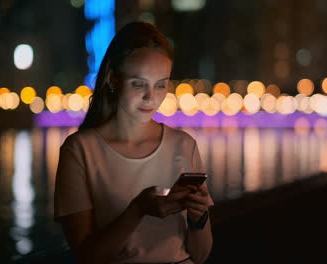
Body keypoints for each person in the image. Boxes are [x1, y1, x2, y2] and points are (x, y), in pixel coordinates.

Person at [54, 21, 214, 264]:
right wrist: (137, 210)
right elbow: (87, 256)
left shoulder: (184, 145)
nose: (151, 97)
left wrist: (198, 216)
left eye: (161, 84)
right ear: (113, 79)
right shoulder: (80, 151)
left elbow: (200, 255)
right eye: (139, 84)